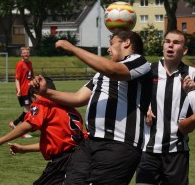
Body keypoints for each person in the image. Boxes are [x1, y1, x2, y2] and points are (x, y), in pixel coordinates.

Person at [29, 30, 152, 185]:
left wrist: (73, 49)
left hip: (119, 144)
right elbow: (77, 98)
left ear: (126, 43)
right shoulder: (101, 74)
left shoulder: (139, 62)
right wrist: (45, 92)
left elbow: (114, 70)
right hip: (89, 143)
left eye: (112, 43)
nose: (108, 49)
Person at [0, 77, 86, 185]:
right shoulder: (70, 109)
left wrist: (0, 140)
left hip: (62, 163)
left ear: (35, 96)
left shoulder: (42, 102)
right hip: (79, 159)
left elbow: (28, 125)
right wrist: (23, 148)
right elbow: (55, 143)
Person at [136, 29, 195, 185]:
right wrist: (143, 109)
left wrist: (190, 93)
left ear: (184, 50)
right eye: (167, 41)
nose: (170, 45)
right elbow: (132, 101)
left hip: (177, 150)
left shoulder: (192, 73)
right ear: (163, 45)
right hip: (147, 149)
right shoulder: (147, 71)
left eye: (176, 42)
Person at [8, 46, 34, 138]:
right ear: (21, 54)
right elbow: (17, 79)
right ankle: (22, 132)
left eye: (27, 52)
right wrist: (18, 90)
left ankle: (14, 123)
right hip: (23, 91)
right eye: (24, 53)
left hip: (30, 90)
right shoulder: (20, 64)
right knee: (28, 111)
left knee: (29, 110)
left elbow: (31, 77)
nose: (26, 54)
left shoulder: (30, 63)